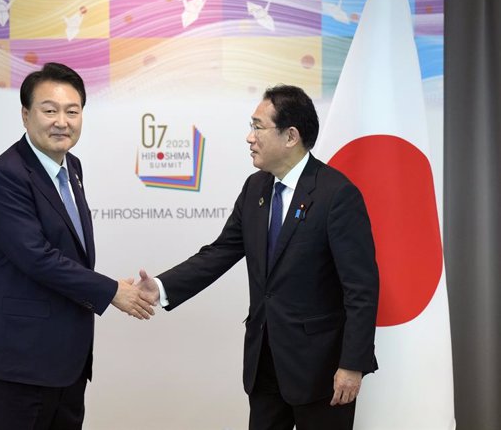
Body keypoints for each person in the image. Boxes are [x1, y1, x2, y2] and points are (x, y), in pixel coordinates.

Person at [138, 85, 379, 430]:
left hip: (320, 369)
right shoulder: (256, 189)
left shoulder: (337, 194)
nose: (249, 137)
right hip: (264, 361)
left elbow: (361, 288)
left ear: (291, 136)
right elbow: (220, 252)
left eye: (257, 127)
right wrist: (161, 288)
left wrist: (352, 364)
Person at [0, 62, 155, 430]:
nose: (62, 121)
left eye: (72, 111)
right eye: (49, 110)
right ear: (25, 115)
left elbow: (66, 253)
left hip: (64, 364)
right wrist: (110, 291)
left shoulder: (73, 168)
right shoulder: (7, 174)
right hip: (16, 365)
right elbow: (36, 257)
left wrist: (103, 286)